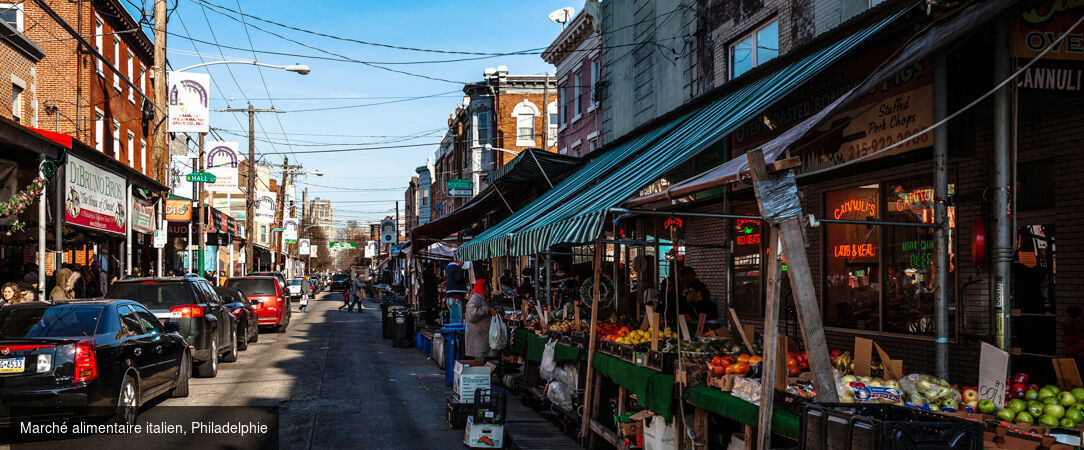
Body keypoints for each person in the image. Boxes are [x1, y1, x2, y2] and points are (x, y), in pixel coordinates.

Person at [464, 279, 497, 359]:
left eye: (488, 287)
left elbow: (496, 308)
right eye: (484, 288)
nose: (487, 289)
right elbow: (472, 315)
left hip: (486, 337)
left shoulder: (489, 300)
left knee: (487, 361)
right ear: (479, 288)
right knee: (480, 361)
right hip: (478, 338)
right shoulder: (474, 300)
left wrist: (498, 310)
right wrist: (488, 310)